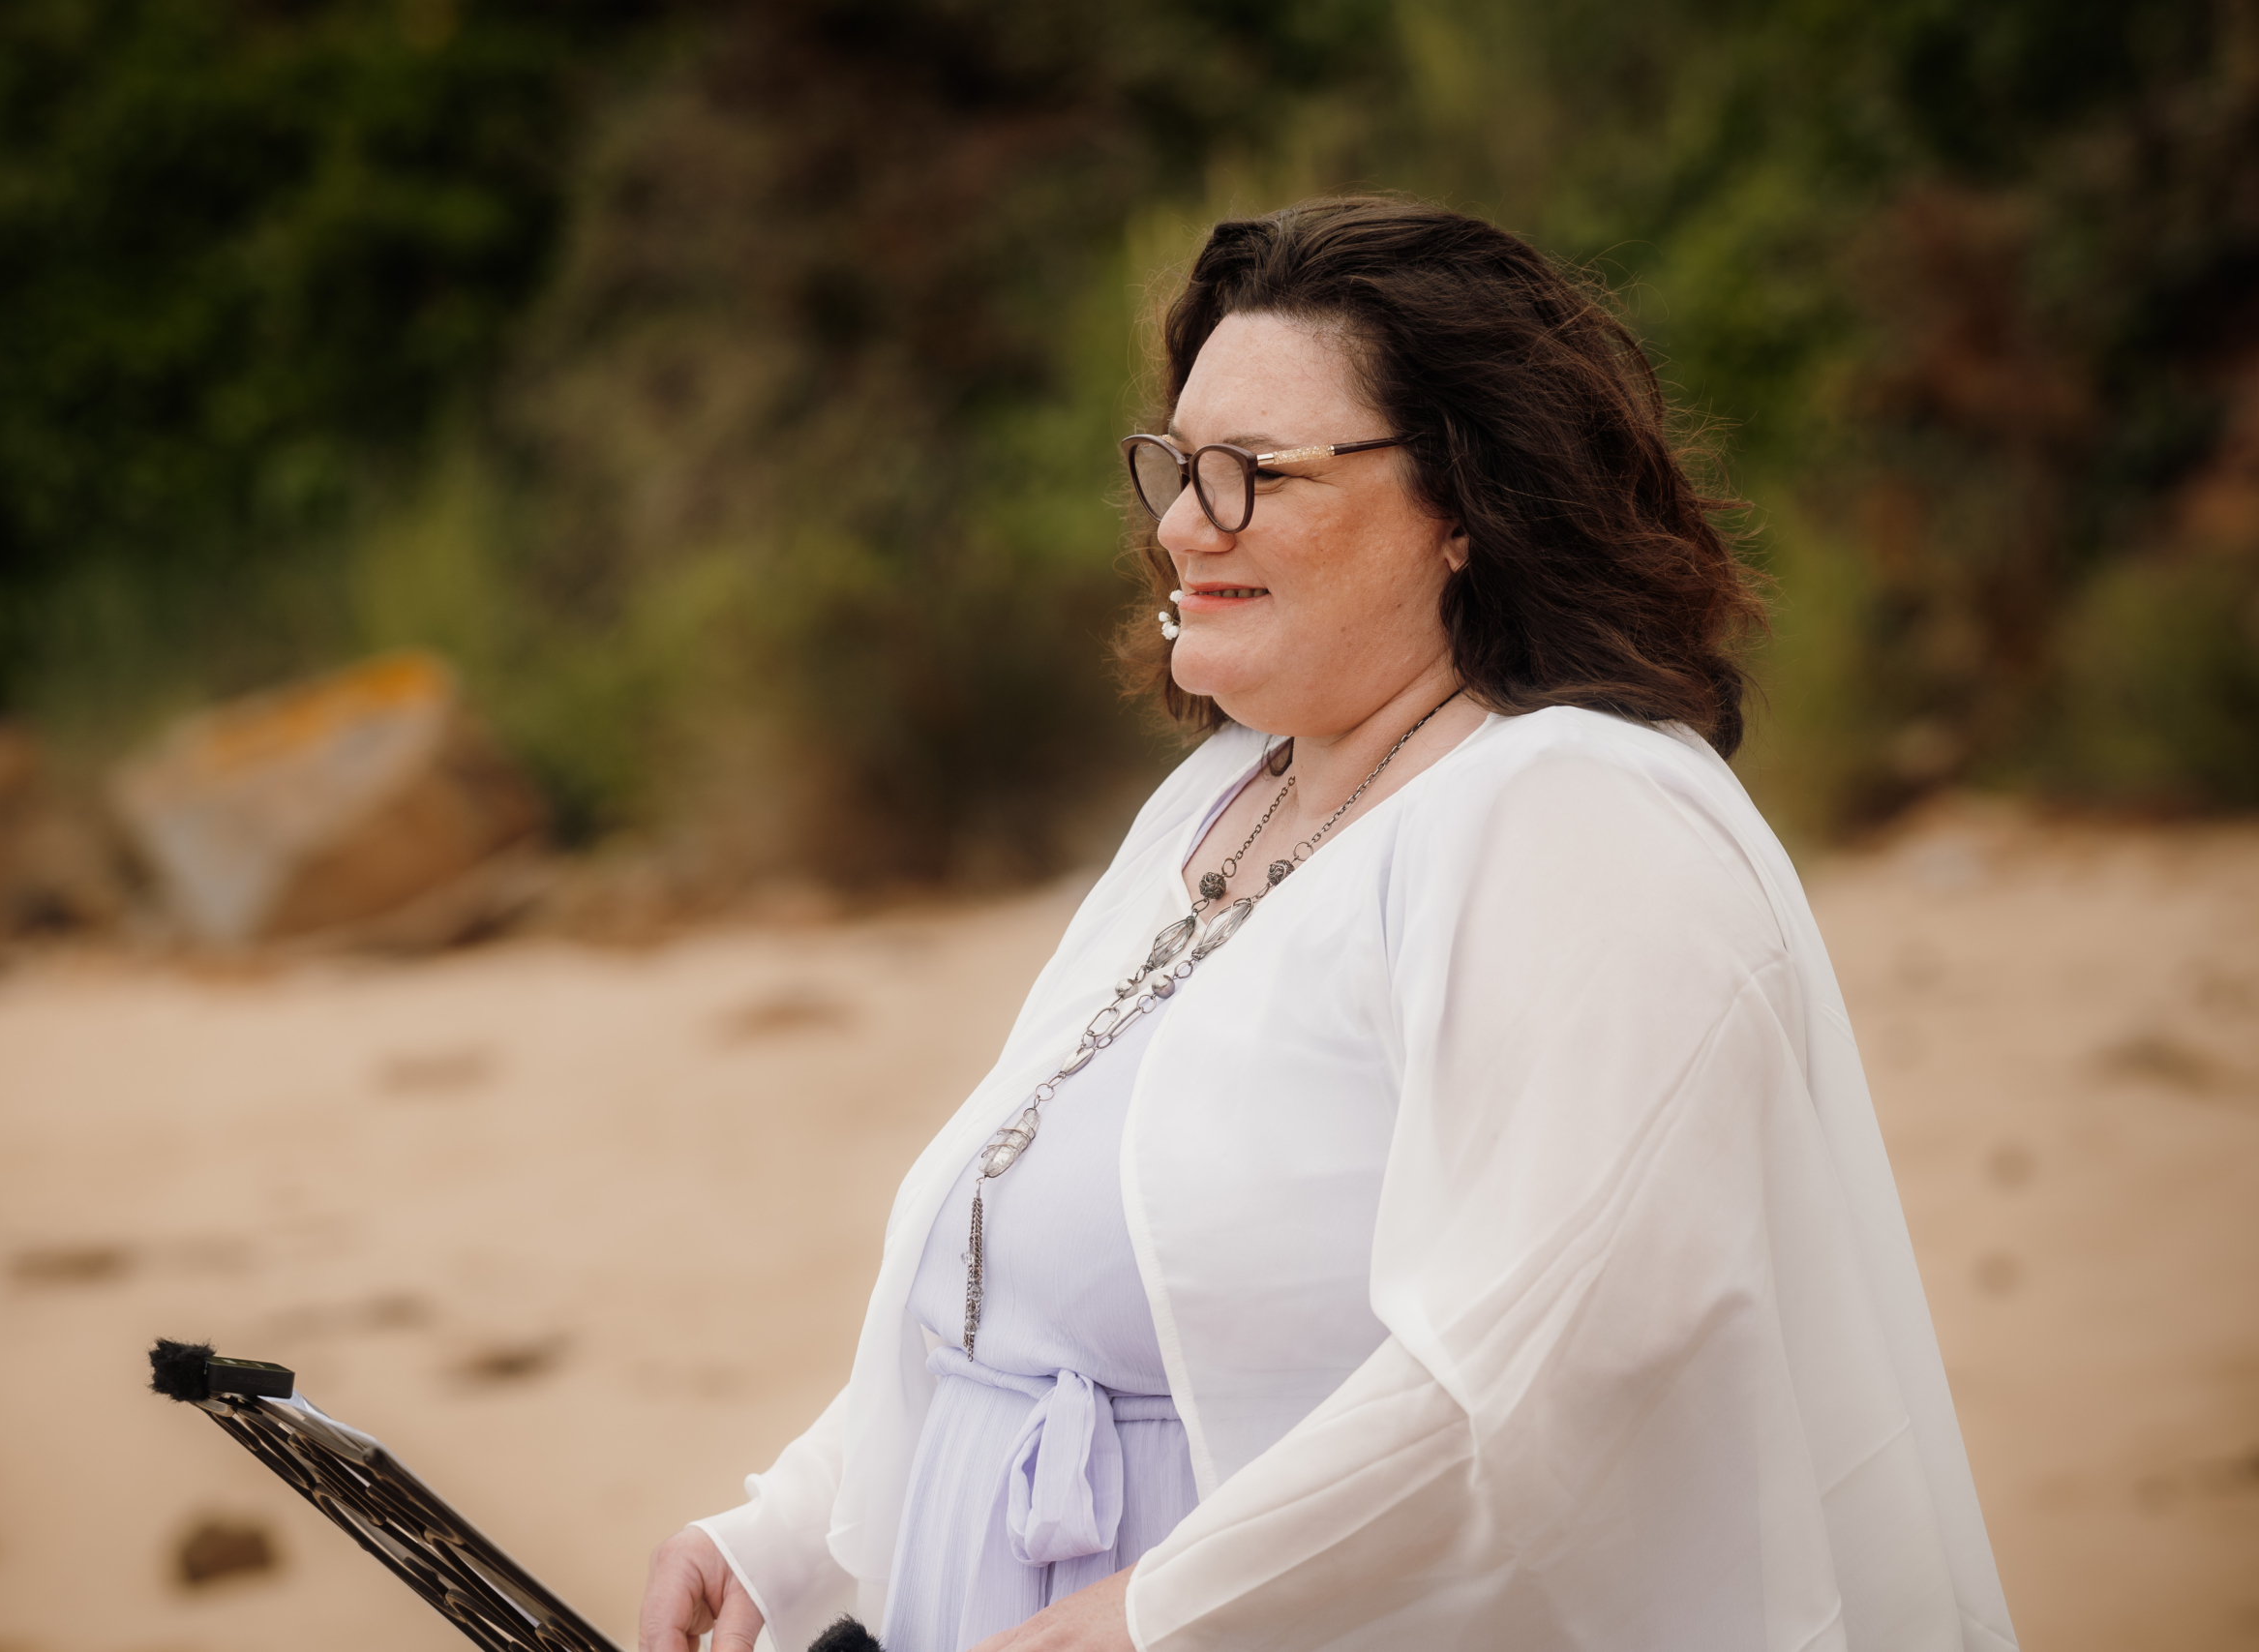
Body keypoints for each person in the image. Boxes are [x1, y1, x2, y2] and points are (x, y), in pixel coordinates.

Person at [639, 196, 2018, 1652]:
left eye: (1255, 474)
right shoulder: (1221, 798)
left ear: (1466, 505)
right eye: (1177, 466)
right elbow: (1033, 1281)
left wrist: (1152, 1618)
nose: (1181, 523)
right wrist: (784, 1538)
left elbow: (1557, 1372)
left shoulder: (1574, 824)